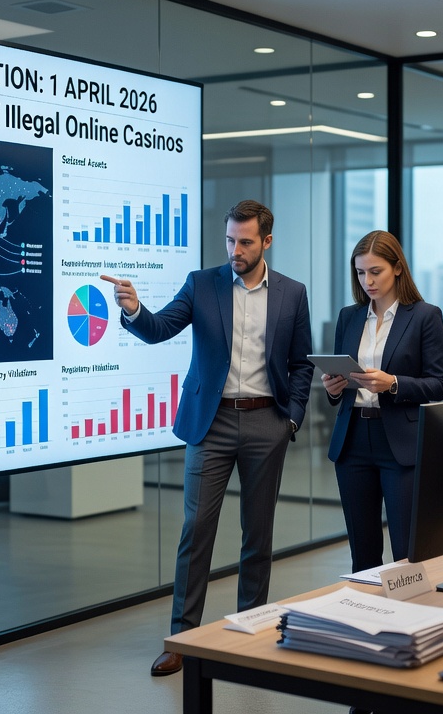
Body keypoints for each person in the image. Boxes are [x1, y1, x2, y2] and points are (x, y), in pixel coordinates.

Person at [101, 200, 313, 677]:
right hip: (210, 422)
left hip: (266, 422)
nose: (235, 250)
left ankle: (253, 630)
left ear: (267, 242)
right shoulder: (202, 284)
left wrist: (291, 419)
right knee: (196, 532)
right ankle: (183, 638)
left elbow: (301, 364)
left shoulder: (292, 294)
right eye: (230, 241)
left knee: (257, 535)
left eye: (245, 242)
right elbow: (160, 329)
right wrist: (135, 310)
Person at [322, 231, 443, 573]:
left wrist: (392, 383)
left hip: (400, 444)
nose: (368, 281)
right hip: (352, 443)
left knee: (406, 553)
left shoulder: (424, 316)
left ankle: (412, 619)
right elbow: (340, 384)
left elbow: (439, 385)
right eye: (361, 273)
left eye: (375, 271)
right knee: (362, 555)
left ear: (397, 268)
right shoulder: (349, 317)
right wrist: (334, 388)